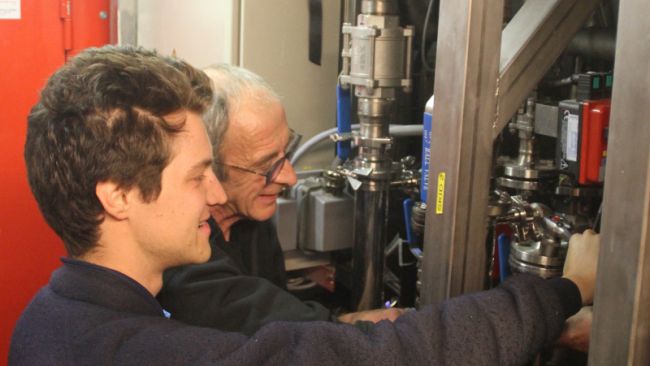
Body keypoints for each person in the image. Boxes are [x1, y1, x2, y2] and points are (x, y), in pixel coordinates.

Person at [10, 45, 600, 366]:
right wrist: (566, 288)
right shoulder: (141, 351)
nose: (216, 196)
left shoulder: (52, 315)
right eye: (196, 179)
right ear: (116, 197)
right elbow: (403, 356)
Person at [158, 64, 402, 335]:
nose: (289, 177)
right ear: (207, 167)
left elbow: (274, 318)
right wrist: (350, 328)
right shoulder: (178, 248)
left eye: (286, 151)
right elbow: (235, 312)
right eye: (265, 166)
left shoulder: (252, 221)